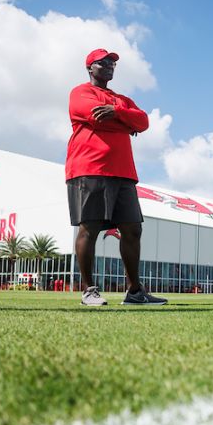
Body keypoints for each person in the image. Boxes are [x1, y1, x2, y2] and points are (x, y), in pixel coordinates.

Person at [66, 49, 167, 306]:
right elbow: (94, 117)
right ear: (90, 67)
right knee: (89, 228)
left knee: (133, 229)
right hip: (90, 168)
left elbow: (143, 121)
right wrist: (125, 121)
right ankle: (89, 291)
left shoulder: (122, 99)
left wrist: (118, 113)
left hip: (123, 172)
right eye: (103, 62)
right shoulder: (81, 92)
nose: (110, 66)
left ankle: (135, 292)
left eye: (113, 63)